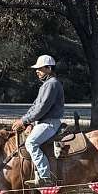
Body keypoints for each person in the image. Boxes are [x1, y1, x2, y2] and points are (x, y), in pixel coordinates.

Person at [12, 54, 64, 187]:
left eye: (40, 68)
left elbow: (42, 108)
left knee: (31, 143)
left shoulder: (51, 84)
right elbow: (35, 106)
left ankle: (45, 176)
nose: (37, 71)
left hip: (49, 122)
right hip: (43, 122)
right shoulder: (47, 84)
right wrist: (28, 121)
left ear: (49, 68)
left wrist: (23, 121)